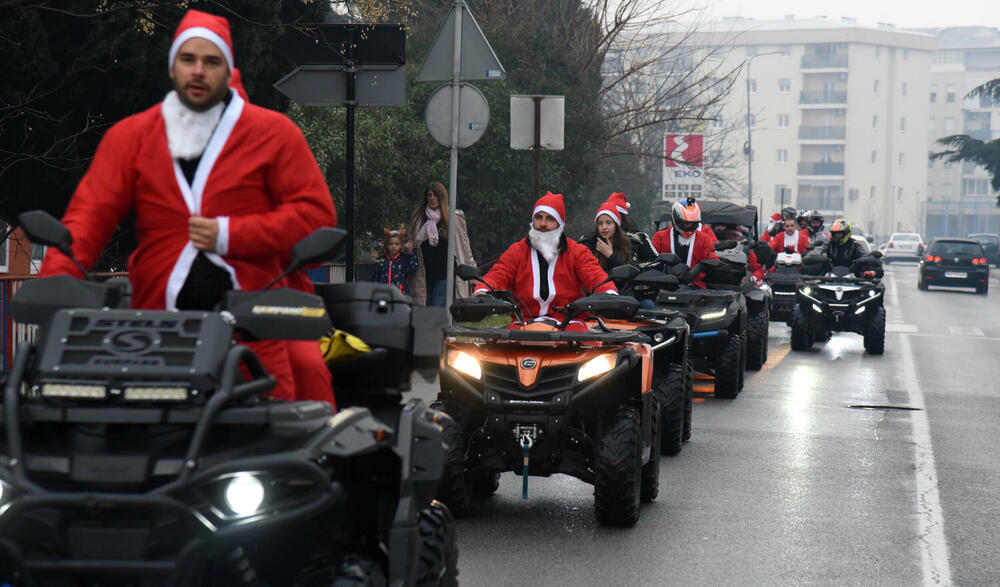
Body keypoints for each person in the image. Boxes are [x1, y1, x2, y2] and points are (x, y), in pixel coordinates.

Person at [40, 9, 337, 404]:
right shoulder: (129, 138)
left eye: (212, 61)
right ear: (171, 67)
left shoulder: (274, 134)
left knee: (305, 376)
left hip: (256, 311)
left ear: (229, 69)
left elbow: (317, 218)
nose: (199, 71)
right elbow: (89, 216)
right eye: (188, 59)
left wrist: (231, 234)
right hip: (155, 321)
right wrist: (56, 285)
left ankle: (326, 462)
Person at [473, 192, 617, 326]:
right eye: (538, 217)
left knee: (591, 350)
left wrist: (609, 294)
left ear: (560, 223)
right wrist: (482, 292)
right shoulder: (517, 251)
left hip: (569, 326)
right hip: (523, 324)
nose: (542, 224)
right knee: (491, 351)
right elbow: (498, 275)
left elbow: (596, 276)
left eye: (550, 218)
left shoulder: (577, 252)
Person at [407, 181, 475, 307]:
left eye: (435, 195)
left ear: (441, 197)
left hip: (445, 274)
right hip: (423, 274)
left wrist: (472, 271)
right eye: (429, 195)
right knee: (424, 309)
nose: (432, 198)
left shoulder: (453, 218)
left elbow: (464, 247)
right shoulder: (418, 218)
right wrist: (408, 247)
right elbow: (412, 240)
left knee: (436, 307)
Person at [651, 198, 719, 288]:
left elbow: (713, 260)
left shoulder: (705, 239)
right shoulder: (660, 236)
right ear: (676, 220)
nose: (689, 226)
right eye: (685, 223)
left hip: (695, 287)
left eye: (692, 223)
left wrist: (708, 265)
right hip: (664, 284)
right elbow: (651, 259)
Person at [605, 191, 658, 264]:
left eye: (609, 221)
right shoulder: (592, 241)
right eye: (601, 222)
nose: (604, 226)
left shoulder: (640, 239)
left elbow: (656, 263)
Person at [370, 227, 418, 295]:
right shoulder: (380, 261)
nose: (394, 246)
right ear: (386, 245)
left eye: (396, 244)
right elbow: (374, 278)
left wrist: (411, 254)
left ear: (401, 246)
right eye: (391, 244)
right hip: (382, 294)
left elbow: (412, 269)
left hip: (399, 295)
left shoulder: (403, 259)